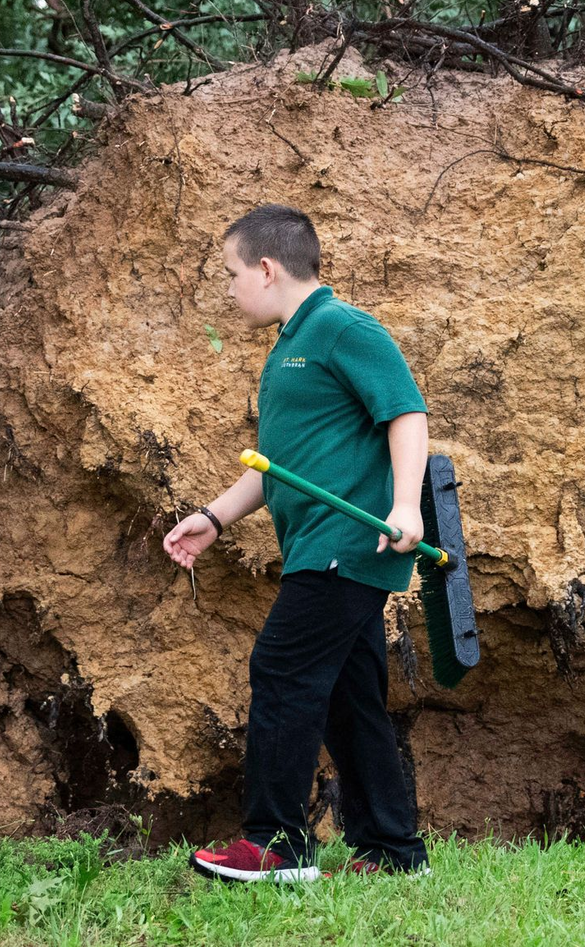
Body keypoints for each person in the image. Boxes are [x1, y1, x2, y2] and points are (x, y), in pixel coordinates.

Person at [163, 203, 431, 882]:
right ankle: (394, 851)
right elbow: (282, 462)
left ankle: (276, 846)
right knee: (348, 694)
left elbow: (406, 410)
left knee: (282, 670)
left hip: (347, 544)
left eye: (231, 274)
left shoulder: (341, 327)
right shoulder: (291, 342)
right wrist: (215, 517)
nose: (229, 290)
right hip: (319, 542)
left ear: (265, 266)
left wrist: (404, 505)